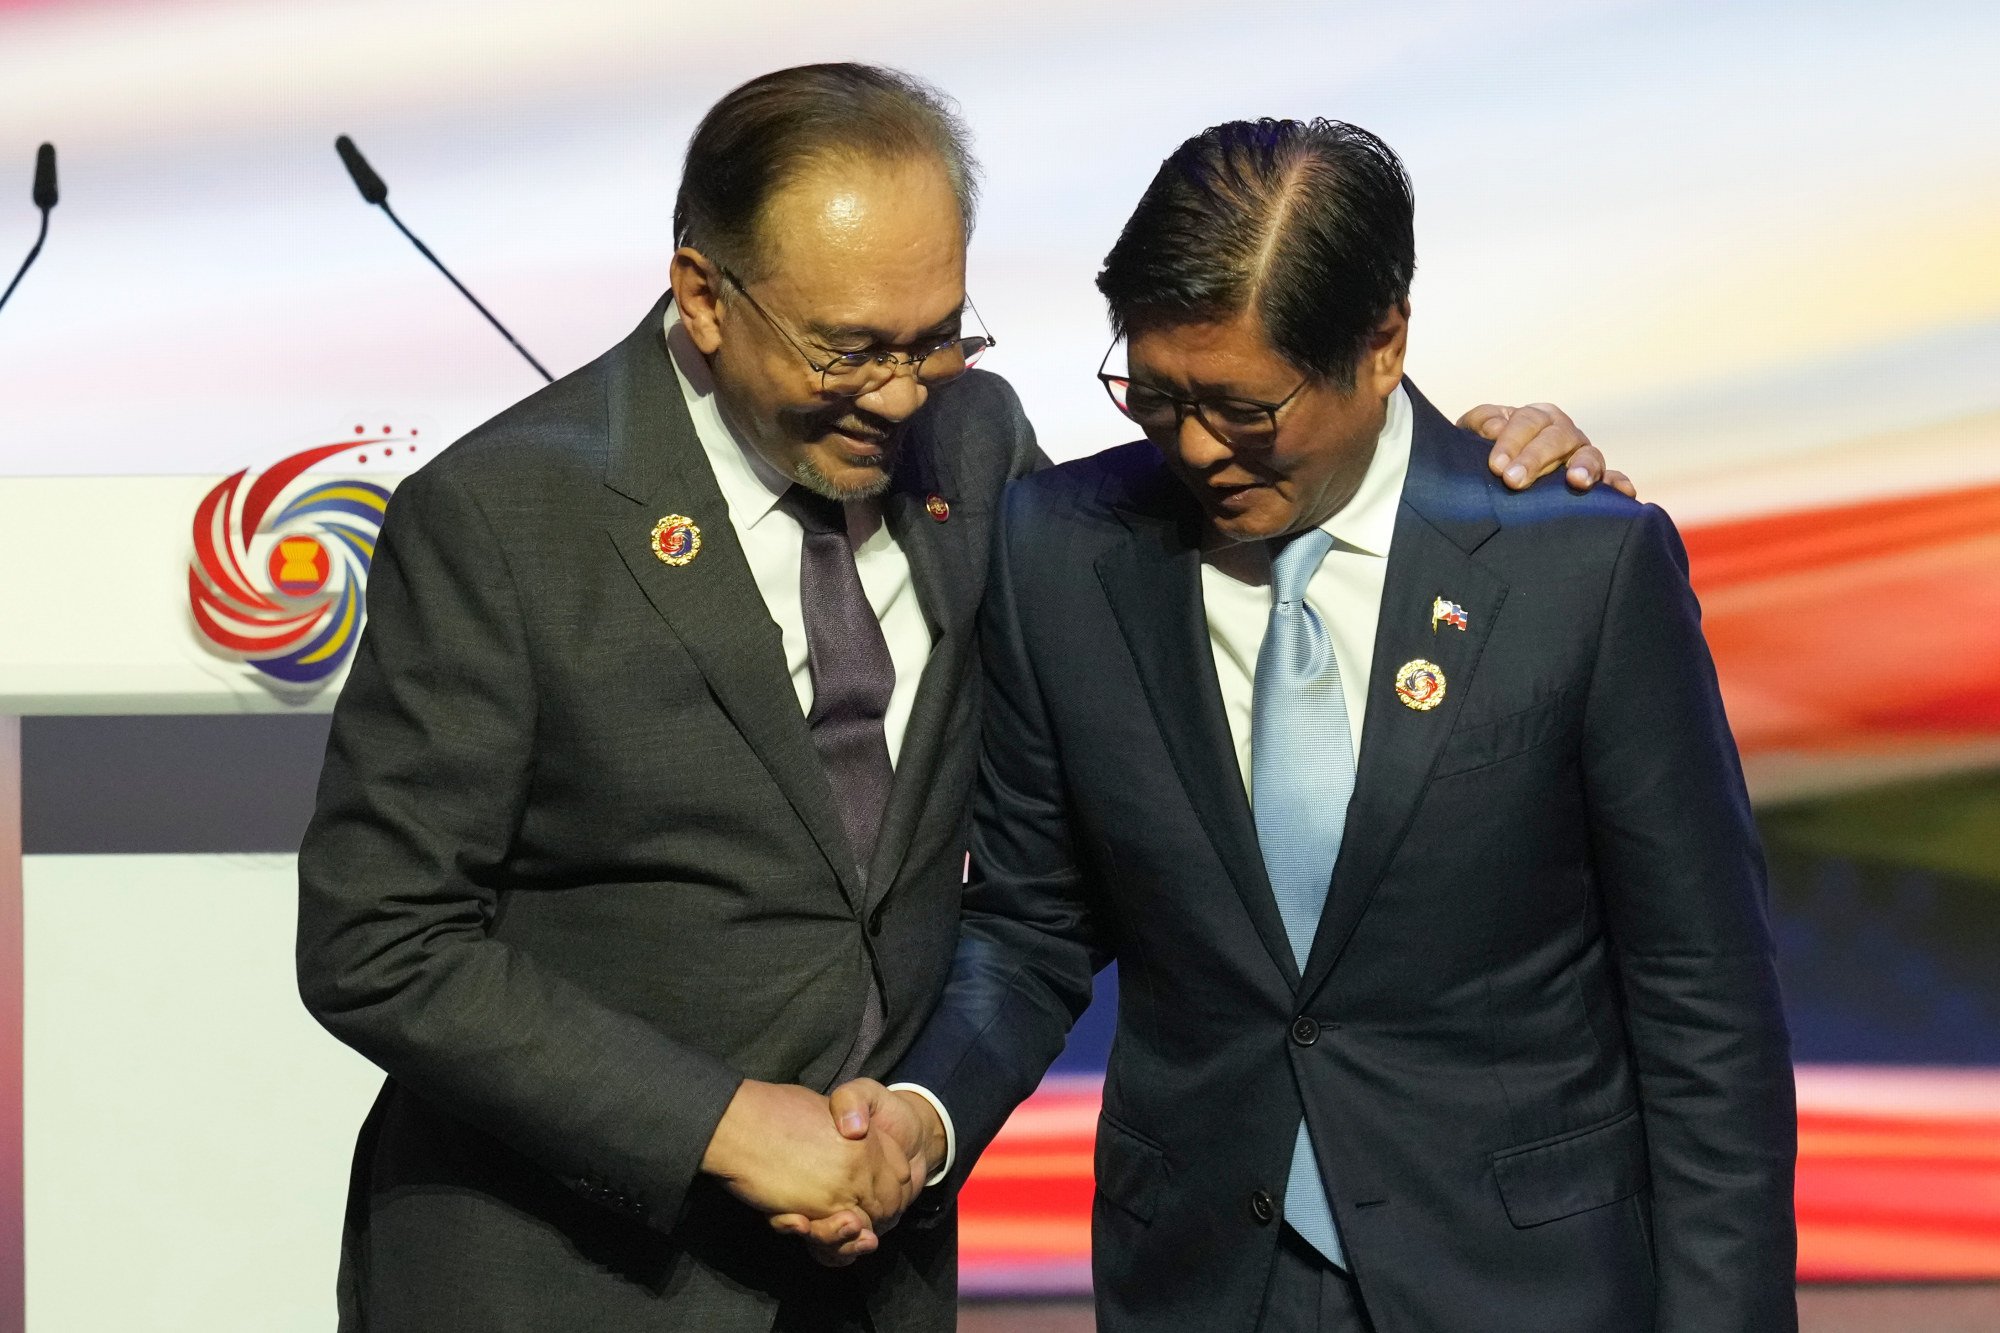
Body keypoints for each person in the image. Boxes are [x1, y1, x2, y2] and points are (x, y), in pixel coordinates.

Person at [296, 65, 1626, 1333]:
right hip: (566, 1277)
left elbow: (1266, 491)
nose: (897, 393)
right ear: (703, 296)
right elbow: (379, 938)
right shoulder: (505, 517)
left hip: (877, 1275)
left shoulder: (979, 451)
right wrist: (720, 1125)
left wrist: (1473, 473)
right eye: (848, 351)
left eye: (936, 339)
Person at [848, 119, 1796, 1331]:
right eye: (1153, 394)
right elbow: (1030, 925)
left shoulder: (1580, 566)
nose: (1193, 448)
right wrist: (921, 1117)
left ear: (1382, 340)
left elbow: (1701, 1000)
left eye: (1244, 407)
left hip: (1523, 1282)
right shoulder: (1057, 550)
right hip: (1203, 1278)